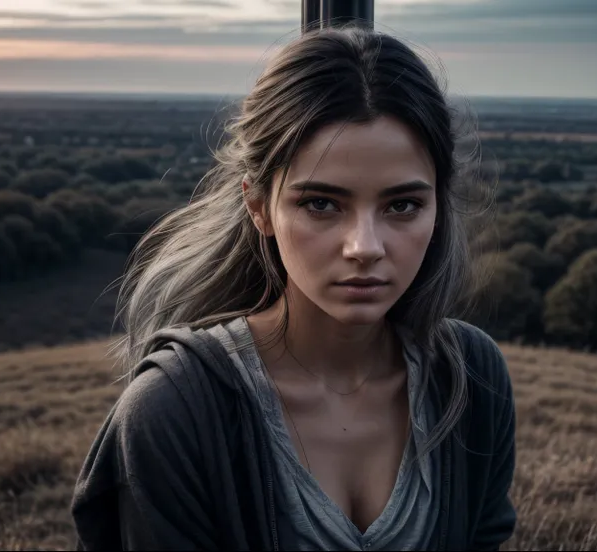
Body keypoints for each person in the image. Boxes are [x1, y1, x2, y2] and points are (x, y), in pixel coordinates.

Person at [70, 24, 517, 551]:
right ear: (259, 206)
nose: (364, 246)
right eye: (321, 204)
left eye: (402, 205)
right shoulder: (175, 409)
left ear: (438, 207)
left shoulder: (469, 380)